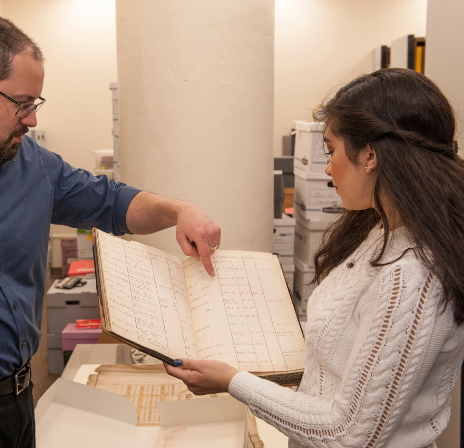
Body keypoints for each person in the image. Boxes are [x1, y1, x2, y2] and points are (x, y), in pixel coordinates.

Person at [0, 15, 221, 448]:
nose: (30, 120)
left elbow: (114, 202)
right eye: (21, 103)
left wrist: (180, 209)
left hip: (23, 394)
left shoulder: (35, 165)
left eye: (35, 105)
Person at [165, 68, 464, 448]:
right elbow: (349, 344)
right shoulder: (380, 232)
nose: (327, 167)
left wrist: (231, 381)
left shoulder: (411, 275)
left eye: (331, 149)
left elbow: (349, 435)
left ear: (369, 155)